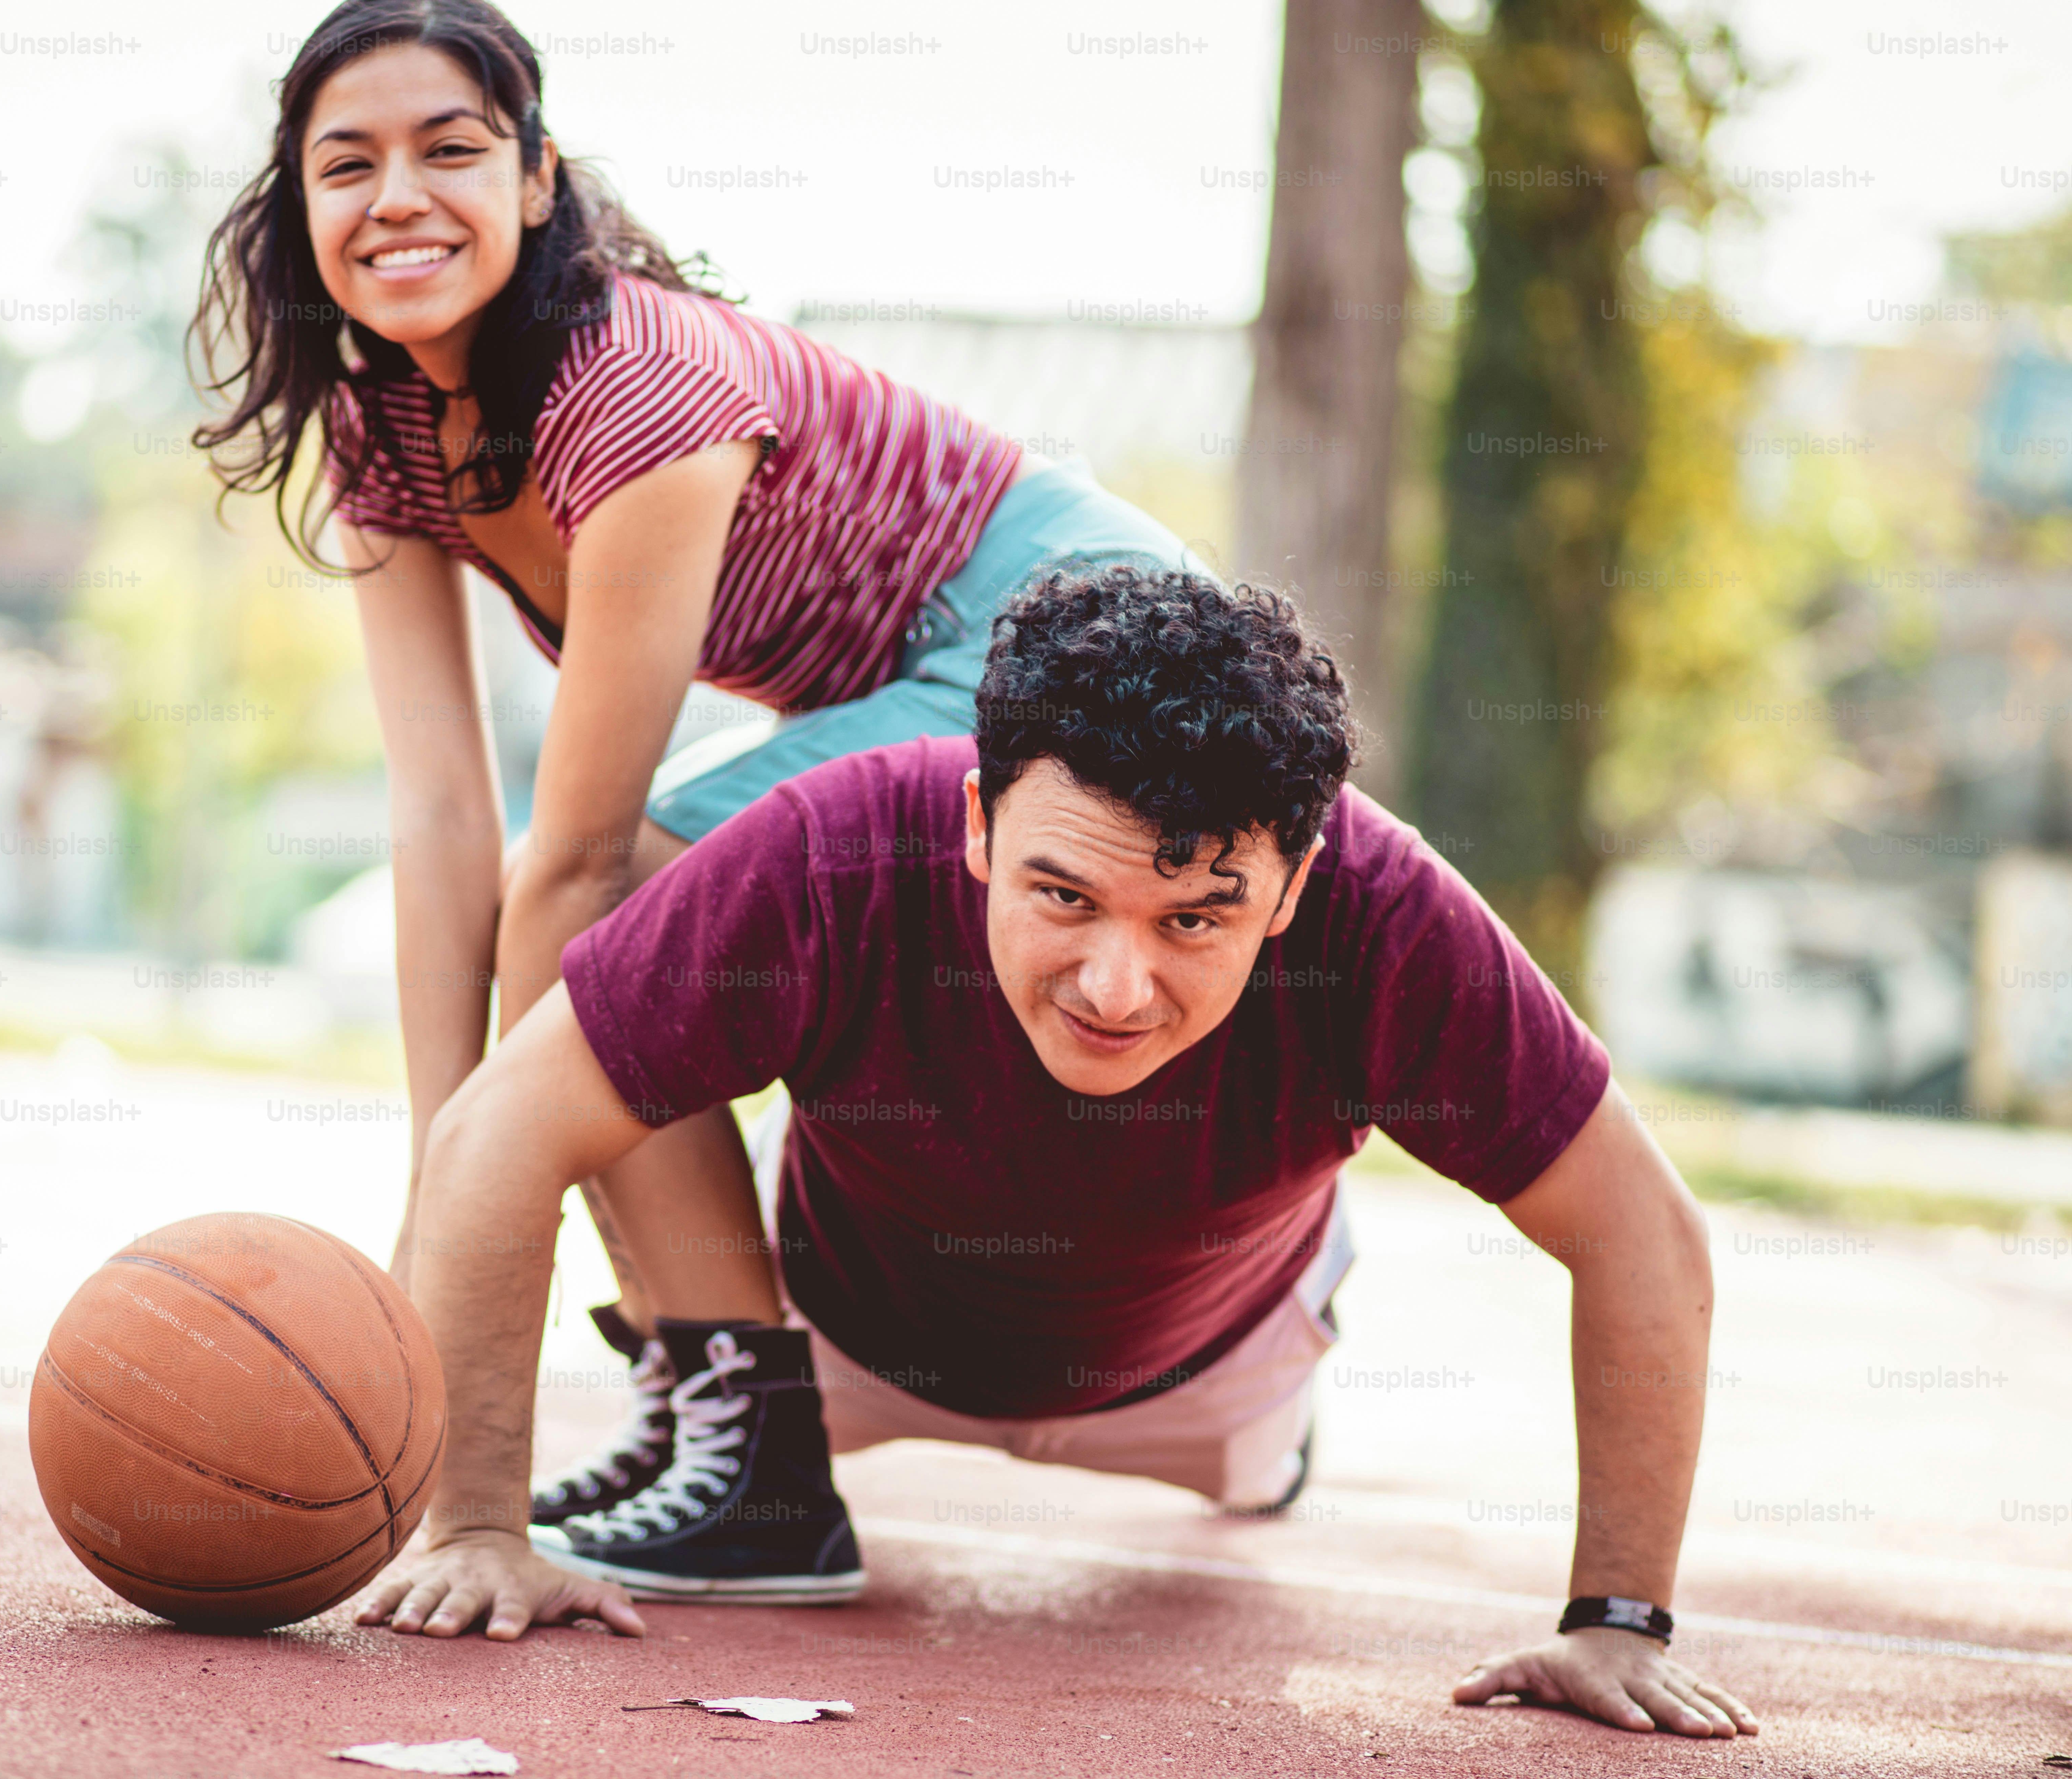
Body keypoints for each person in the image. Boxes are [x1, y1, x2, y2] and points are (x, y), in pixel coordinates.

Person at [353, 562, 1759, 1742]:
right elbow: (495, 1135)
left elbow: (1645, 1235)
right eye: (1061, 894)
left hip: (1217, 1374)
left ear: (1297, 885)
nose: (1114, 983)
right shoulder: (835, 850)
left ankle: (1287, 1359)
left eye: (1193, 921)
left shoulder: (1385, 918)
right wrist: (473, 1524)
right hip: (843, 1343)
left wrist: (1619, 1618)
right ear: (975, 820)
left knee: (1267, 1391)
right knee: (609, 1054)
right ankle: (726, 1422)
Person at [192, 0, 1204, 1524]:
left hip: (1086, 631)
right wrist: (442, 1172)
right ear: (301, 209)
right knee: (595, 957)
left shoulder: (636, 391)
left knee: (618, 921)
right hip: (906, 679)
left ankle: (757, 1440)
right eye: (348, 166)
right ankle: (706, 1398)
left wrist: (477, 1204)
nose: (397, 197)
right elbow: (446, 815)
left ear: (538, 182)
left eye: (449, 150)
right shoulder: (380, 419)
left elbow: (578, 866)